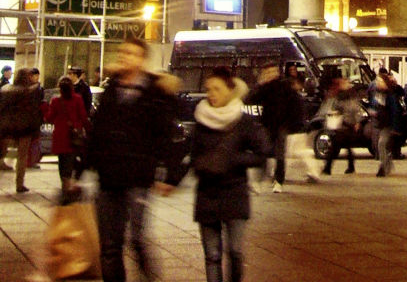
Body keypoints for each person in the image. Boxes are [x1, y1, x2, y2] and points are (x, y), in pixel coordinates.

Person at [85, 35, 182, 282]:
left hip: (138, 176)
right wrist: (81, 167)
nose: (124, 57)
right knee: (109, 245)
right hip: (108, 177)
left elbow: (167, 134)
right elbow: (97, 130)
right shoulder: (111, 89)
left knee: (136, 238)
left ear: (142, 60)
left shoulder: (155, 92)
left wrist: (170, 175)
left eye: (131, 53)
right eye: (122, 53)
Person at [191, 67, 269, 282]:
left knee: (235, 251)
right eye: (208, 89)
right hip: (207, 194)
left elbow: (262, 153)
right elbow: (193, 154)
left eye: (217, 89)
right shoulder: (201, 119)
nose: (211, 94)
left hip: (234, 193)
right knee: (212, 255)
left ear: (230, 90)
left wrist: (233, 159)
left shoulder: (243, 121)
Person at [247, 62, 301, 191]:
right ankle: (259, 179)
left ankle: (278, 181)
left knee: (280, 154)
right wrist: (260, 84)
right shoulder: (263, 87)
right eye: (268, 72)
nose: (271, 74)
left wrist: (293, 122)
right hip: (267, 124)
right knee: (262, 151)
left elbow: (296, 103)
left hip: (282, 125)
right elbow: (250, 99)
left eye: (273, 71)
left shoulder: (284, 86)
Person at [44, 74, 89, 198]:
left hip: (60, 136)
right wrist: (88, 130)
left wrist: (45, 110)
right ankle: (69, 186)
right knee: (72, 160)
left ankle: (65, 185)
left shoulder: (55, 101)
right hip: (74, 135)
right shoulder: (78, 99)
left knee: (62, 162)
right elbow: (83, 117)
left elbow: (49, 118)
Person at [0, 67, 43, 192]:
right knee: (22, 156)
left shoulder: (5, 89)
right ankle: (19, 184)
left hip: (6, 126)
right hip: (24, 127)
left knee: (2, 151)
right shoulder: (29, 92)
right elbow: (33, 111)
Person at [321, 77, 364, 175]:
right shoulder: (339, 95)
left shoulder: (349, 95)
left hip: (346, 125)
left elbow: (356, 109)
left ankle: (328, 168)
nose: (347, 85)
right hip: (341, 124)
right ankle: (349, 166)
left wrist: (357, 122)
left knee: (337, 146)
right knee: (345, 147)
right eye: (344, 83)